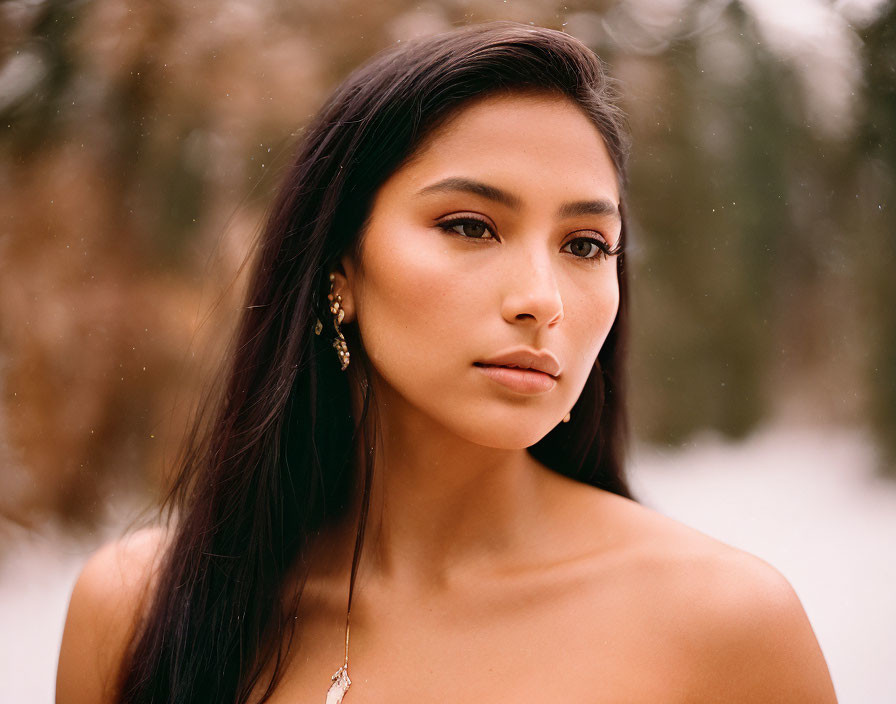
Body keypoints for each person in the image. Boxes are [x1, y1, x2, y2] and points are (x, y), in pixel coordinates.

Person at [56, 20, 838, 704]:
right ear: (339, 269)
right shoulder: (140, 610)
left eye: (585, 245)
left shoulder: (726, 625)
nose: (543, 299)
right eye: (471, 226)